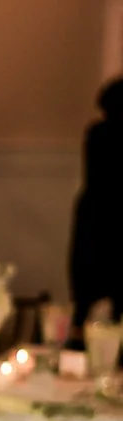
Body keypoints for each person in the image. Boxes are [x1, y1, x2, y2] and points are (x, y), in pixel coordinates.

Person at [71, 79, 123, 325]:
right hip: (105, 218)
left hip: (94, 218)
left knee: (86, 294)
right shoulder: (99, 134)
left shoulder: (96, 133)